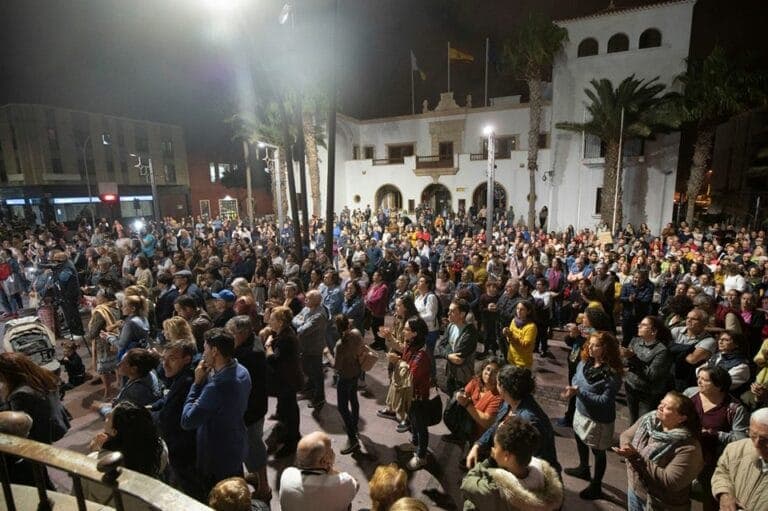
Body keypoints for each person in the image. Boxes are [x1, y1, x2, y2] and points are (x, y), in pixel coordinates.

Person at [181, 328, 252, 496]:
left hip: (216, 454)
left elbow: (187, 420)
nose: (202, 353)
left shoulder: (217, 386)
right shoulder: (242, 371)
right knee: (236, 492)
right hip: (236, 443)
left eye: (205, 348)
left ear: (215, 351)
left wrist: (197, 384)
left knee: (220, 497)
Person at [615, 391, 704, 511]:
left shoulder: (688, 447)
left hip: (663, 504)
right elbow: (626, 435)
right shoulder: (649, 420)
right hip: (636, 493)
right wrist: (626, 448)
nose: (660, 407)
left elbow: (671, 481)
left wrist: (635, 457)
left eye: (667, 407)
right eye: (661, 403)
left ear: (681, 418)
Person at [561, 331, 624, 500]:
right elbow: (576, 377)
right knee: (580, 438)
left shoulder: (612, 373)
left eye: (595, 345)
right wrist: (573, 388)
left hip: (598, 420)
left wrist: (579, 392)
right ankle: (583, 468)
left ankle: (596, 485)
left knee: (598, 451)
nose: (590, 347)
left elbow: (604, 400)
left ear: (606, 349)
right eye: (590, 343)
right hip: (581, 412)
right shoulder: (586, 362)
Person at [467, 365, 560, 475]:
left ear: (503, 389)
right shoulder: (510, 402)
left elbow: (531, 462)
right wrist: (478, 445)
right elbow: (496, 425)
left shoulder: (529, 420)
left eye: (497, 383)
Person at [461, 416, 563, 511]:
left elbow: (467, 483)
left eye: (495, 447)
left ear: (506, 456)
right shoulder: (541, 474)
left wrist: (491, 460)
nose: (493, 449)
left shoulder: (495, 489)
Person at [683, 366, 749, 511]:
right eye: (699, 378)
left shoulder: (734, 409)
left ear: (719, 385)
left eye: (704, 380)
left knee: (710, 499)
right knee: (678, 494)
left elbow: (741, 440)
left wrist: (715, 434)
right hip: (685, 454)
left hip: (712, 463)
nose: (699, 382)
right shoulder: (690, 393)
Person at [83, 402, 166, 509]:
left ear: (113, 431)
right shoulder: (160, 448)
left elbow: (80, 497)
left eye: (108, 418)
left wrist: (97, 452)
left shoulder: (95, 462)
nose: (106, 418)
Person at [226, 315, 270, 503]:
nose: (229, 337)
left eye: (231, 334)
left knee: (254, 447)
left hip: (251, 411)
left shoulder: (249, 354)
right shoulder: (252, 342)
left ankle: (264, 487)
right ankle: (255, 476)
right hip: (254, 407)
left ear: (243, 333)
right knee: (249, 446)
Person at [150, 338, 200, 499]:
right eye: (163, 358)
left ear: (187, 359)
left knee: (190, 490)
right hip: (182, 447)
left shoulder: (186, 382)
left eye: (171, 359)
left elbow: (166, 418)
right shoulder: (182, 376)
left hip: (183, 449)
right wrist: (153, 406)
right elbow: (167, 400)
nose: (164, 364)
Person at [387, 317, 432, 470]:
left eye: (406, 329)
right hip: (410, 394)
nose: (404, 332)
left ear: (415, 333)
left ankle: (421, 455)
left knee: (420, 425)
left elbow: (412, 375)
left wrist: (397, 362)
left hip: (418, 395)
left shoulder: (422, 353)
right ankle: (415, 443)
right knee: (412, 420)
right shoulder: (410, 344)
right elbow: (405, 358)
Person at [278, 430, 359, 511]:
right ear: (324, 461)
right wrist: (330, 467)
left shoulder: (287, 475)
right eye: (330, 449)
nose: (333, 452)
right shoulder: (342, 482)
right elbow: (356, 485)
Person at [0, 352, 68, 446]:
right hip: (56, 423)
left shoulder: (19, 394)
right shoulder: (42, 375)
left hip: (39, 436)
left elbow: (20, 426)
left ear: (7, 374)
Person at [710, 408, 768, 511]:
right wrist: (724, 493)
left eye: (765, 439)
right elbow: (722, 472)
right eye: (753, 435)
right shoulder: (735, 449)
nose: (756, 444)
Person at [264, 305, 303, 457]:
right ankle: (288, 436)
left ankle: (291, 443)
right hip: (287, 381)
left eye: (272, 319)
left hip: (288, 382)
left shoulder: (285, 338)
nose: (269, 321)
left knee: (290, 412)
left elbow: (274, 359)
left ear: (280, 322)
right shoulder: (283, 333)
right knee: (288, 410)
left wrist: (268, 347)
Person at [621, 315, 673, 424]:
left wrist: (632, 358)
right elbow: (626, 363)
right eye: (640, 324)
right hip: (630, 386)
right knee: (632, 418)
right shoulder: (635, 341)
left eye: (644, 325)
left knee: (643, 422)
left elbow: (652, 375)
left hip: (647, 394)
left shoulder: (662, 351)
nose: (639, 326)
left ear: (653, 331)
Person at [326, 315, 365, 454]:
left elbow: (336, 366)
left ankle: (352, 438)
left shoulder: (340, 344)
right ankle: (353, 425)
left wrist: (327, 354)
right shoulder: (356, 334)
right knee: (353, 399)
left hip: (345, 376)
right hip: (356, 372)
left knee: (342, 407)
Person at [91, 348, 163, 417]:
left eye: (122, 363)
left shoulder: (135, 390)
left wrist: (101, 408)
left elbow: (118, 415)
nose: (118, 365)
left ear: (133, 369)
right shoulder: (149, 372)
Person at [292, 289, 328, 411]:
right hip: (304, 347)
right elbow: (295, 318)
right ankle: (310, 391)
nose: (305, 300)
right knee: (307, 369)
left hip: (314, 348)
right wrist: (302, 322)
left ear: (316, 301)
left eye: (308, 298)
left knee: (316, 374)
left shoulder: (319, 315)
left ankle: (319, 399)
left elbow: (303, 330)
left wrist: (301, 323)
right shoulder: (307, 308)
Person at [435, 298, 478, 394]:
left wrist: (446, 352)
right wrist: (448, 355)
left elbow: (459, 359)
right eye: (449, 310)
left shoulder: (470, 333)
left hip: (463, 377)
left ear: (462, 314)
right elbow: (440, 345)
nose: (448, 313)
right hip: (450, 373)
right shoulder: (451, 326)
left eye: (452, 311)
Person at [454, 359, 503, 440]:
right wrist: (460, 395)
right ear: (483, 369)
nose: (489, 374)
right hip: (466, 427)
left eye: (494, 372)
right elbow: (464, 394)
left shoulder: (498, 396)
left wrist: (467, 404)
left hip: (480, 437)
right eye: (488, 369)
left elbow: (487, 422)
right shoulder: (476, 381)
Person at [669, 307, 716, 391]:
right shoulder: (675, 331)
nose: (689, 320)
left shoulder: (709, 341)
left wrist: (673, 348)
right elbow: (664, 348)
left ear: (704, 323)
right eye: (687, 318)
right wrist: (688, 350)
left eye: (694, 319)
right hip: (669, 374)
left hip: (687, 379)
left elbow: (692, 359)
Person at [696, 331, 752, 396]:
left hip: (726, 397)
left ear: (737, 344)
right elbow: (698, 369)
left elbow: (723, 384)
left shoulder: (742, 365)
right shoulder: (717, 356)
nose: (720, 342)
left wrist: (703, 376)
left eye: (726, 340)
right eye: (720, 339)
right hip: (707, 390)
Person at [87, 288, 120, 396]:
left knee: (103, 369)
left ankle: (107, 390)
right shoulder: (116, 306)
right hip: (116, 340)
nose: (96, 299)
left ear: (104, 298)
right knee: (118, 364)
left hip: (103, 343)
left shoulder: (100, 311)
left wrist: (90, 335)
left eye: (98, 297)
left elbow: (93, 332)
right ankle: (119, 383)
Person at [104, 294, 150, 360]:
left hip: (132, 357)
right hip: (143, 352)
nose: (121, 308)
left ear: (133, 309)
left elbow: (121, 345)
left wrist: (108, 337)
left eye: (124, 306)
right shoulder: (143, 317)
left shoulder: (130, 323)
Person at [619, 270, 655, 345]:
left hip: (640, 316)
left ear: (644, 279)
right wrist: (628, 299)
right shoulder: (626, 286)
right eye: (635, 277)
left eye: (640, 278)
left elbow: (647, 300)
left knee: (638, 336)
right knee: (626, 337)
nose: (637, 280)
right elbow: (621, 298)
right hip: (627, 316)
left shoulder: (648, 288)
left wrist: (635, 299)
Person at [502, 301, 537, 369]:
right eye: (517, 308)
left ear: (528, 311)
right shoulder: (514, 321)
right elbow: (509, 339)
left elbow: (525, 345)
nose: (518, 311)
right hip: (511, 357)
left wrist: (510, 335)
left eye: (522, 309)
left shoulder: (531, 327)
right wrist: (506, 333)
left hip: (523, 362)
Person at [365, 271, 389, 351]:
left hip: (379, 310)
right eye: (374, 275)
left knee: (379, 327)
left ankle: (381, 344)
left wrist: (369, 301)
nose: (373, 277)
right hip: (371, 310)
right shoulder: (372, 285)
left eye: (376, 276)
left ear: (380, 277)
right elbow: (367, 293)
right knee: (373, 327)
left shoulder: (383, 287)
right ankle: (376, 341)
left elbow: (379, 298)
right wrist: (365, 298)